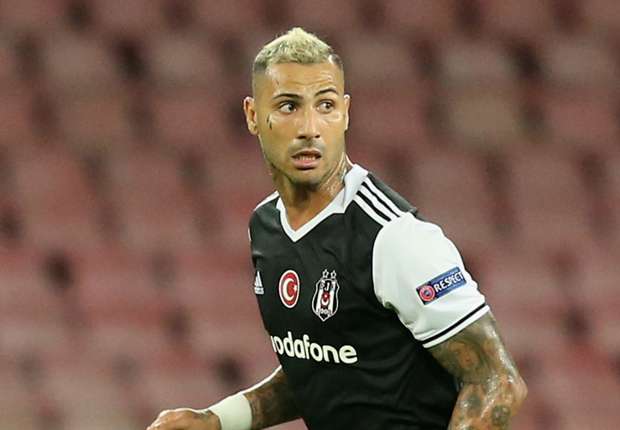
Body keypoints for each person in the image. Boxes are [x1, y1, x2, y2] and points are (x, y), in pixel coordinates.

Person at [148, 27, 527, 430]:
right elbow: (321, 371)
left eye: (325, 105)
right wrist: (219, 419)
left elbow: (498, 384)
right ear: (253, 116)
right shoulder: (267, 226)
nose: (310, 127)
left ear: (345, 113)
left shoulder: (392, 237)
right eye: (289, 106)